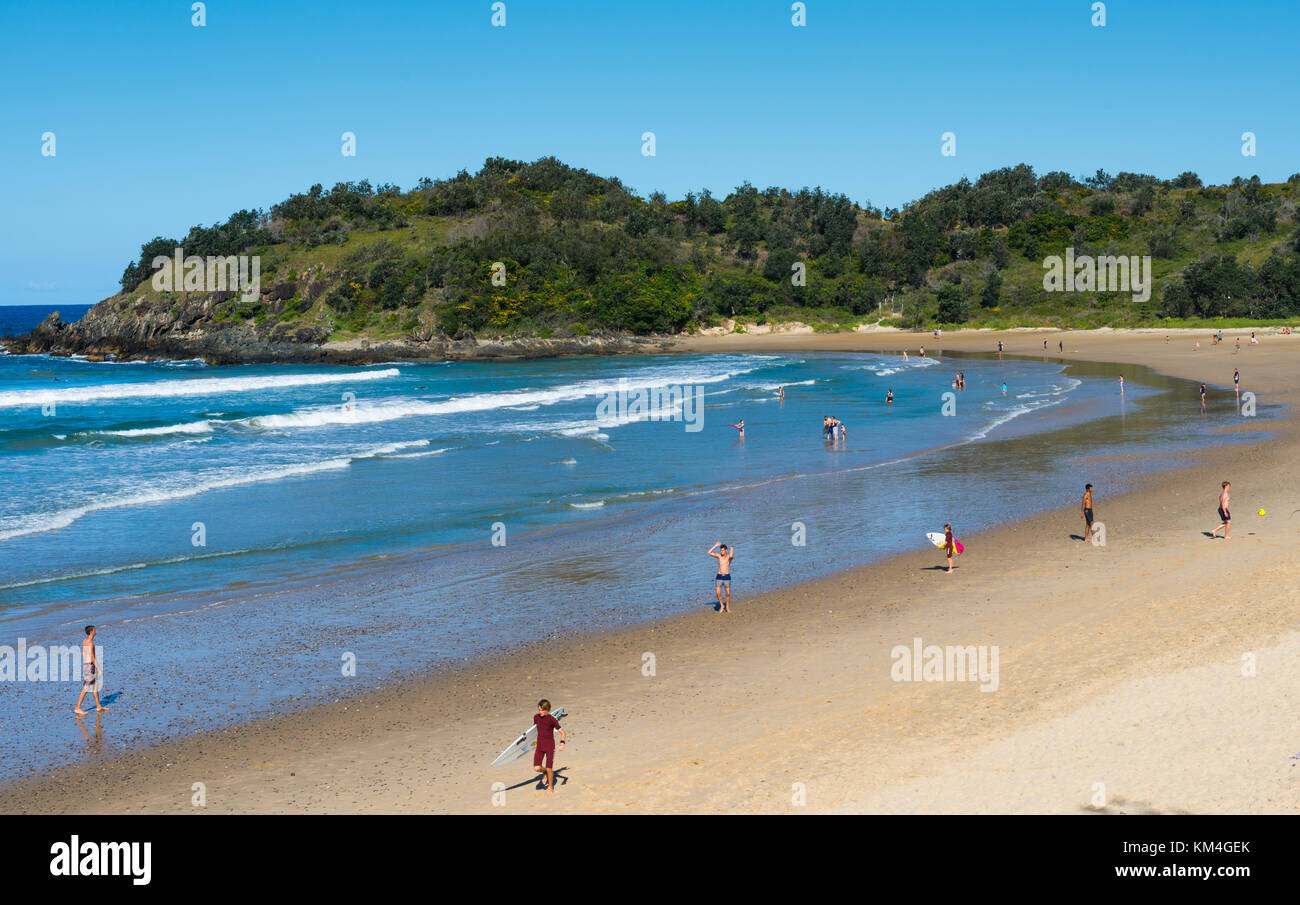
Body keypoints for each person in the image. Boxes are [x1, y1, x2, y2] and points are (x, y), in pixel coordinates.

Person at [532, 699, 566, 794]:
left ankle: (551, 787)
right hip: (539, 745)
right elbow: (534, 732)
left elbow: (563, 733)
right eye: (539, 709)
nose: (540, 712)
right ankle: (545, 773)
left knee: (549, 767)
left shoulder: (552, 720)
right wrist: (532, 744)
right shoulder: (536, 717)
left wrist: (562, 743)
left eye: (542, 710)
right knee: (537, 768)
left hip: (549, 746)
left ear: (547, 709)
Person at [74, 626, 105, 716]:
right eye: (94, 630)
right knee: (86, 687)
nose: (96, 631)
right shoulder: (91, 643)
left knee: (95, 686)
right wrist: (99, 669)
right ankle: (77, 708)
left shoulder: (84, 641)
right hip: (89, 666)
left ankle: (99, 706)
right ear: (91, 632)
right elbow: (92, 657)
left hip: (86, 665)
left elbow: (83, 653)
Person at [708, 542, 735, 612]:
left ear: (726, 550)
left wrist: (732, 550)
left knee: (728, 593)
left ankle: (727, 607)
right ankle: (722, 605)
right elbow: (709, 552)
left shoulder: (729, 557)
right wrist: (715, 546)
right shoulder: (718, 556)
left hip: (727, 576)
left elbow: (732, 556)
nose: (721, 551)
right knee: (717, 593)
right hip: (719, 576)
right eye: (720, 550)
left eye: (722, 550)